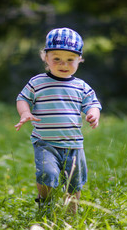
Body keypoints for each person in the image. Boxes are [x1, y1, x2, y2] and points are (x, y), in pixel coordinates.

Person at [14, 27, 102, 213]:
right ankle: (45, 202)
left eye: (70, 59)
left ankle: (71, 212)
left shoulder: (81, 86)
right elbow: (22, 98)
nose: (64, 64)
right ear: (46, 58)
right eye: (57, 59)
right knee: (47, 173)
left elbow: (93, 103)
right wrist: (24, 113)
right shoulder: (37, 82)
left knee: (74, 180)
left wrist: (93, 113)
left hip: (74, 145)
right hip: (45, 142)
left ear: (80, 59)